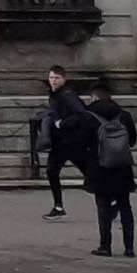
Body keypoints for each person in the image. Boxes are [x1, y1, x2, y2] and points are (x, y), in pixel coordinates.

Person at [80, 80, 137, 258]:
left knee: (103, 207)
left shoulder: (89, 116)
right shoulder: (124, 116)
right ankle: (129, 247)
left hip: (100, 167)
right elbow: (132, 141)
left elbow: (83, 142)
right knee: (125, 206)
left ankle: (105, 246)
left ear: (94, 97)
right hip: (122, 167)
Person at [37, 65, 90, 218]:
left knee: (89, 172)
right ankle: (58, 207)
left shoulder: (67, 95)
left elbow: (81, 114)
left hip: (71, 141)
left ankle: (112, 200)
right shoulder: (55, 95)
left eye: (56, 78)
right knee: (52, 171)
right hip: (61, 143)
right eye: (51, 77)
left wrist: (62, 123)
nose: (53, 81)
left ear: (63, 79)